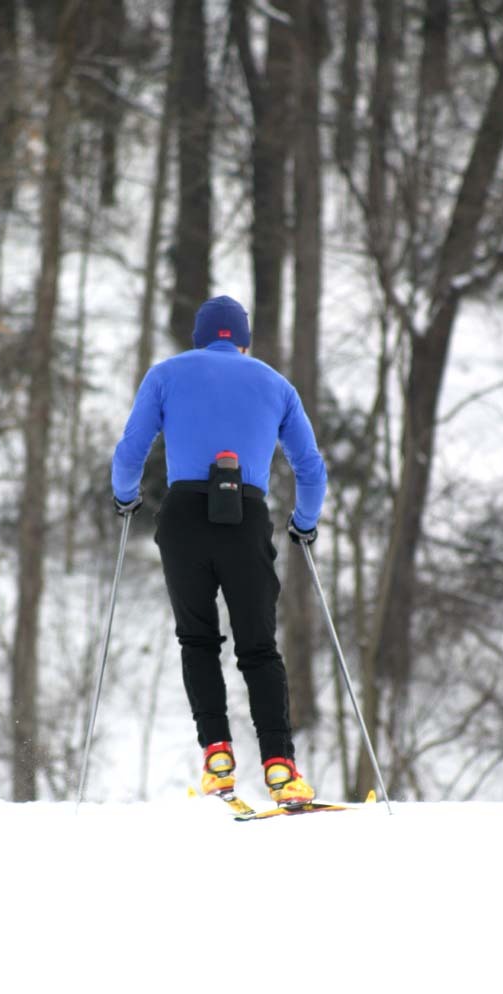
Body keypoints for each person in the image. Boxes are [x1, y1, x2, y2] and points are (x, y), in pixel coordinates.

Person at [111, 295, 327, 806]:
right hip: (246, 518)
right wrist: (304, 524)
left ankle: (218, 755)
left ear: (199, 338)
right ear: (244, 340)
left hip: (182, 518)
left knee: (198, 639)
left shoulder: (165, 375)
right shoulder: (276, 384)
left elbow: (129, 451)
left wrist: (126, 498)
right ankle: (279, 766)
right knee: (258, 646)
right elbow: (310, 469)